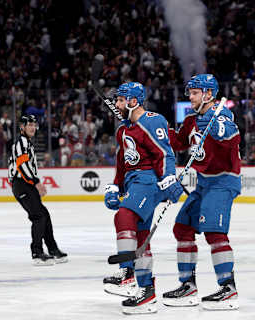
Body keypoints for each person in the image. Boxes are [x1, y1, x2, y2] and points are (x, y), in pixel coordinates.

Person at [102, 82, 184, 314]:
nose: (116, 105)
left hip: (149, 181)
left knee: (124, 217)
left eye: (120, 100)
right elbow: (122, 163)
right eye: (116, 100)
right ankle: (146, 292)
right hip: (133, 182)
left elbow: (164, 152)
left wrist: (169, 178)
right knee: (140, 237)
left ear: (133, 101)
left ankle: (127, 273)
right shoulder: (123, 130)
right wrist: (114, 187)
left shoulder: (152, 120)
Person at [164, 74, 241, 310]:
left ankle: (228, 288)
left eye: (195, 93)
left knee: (214, 232)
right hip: (204, 183)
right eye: (190, 92)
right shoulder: (191, 120)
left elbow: (231, 136)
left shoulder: (221, 114)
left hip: (223, 181)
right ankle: (188, 285)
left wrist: (215, 125)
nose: (190, 97)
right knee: (182, 227)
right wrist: (155, 126)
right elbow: (177, 142)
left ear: (208, 94)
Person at [7, 115, 68, 266]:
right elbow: (22, 166)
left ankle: (52, 249)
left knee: (43, 214)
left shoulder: (26, 143)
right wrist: (36, 182)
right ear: (22, 127)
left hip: (26, 183)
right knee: (39, 216)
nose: (33, 128)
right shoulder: (21, 143)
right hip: (23, 184)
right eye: (30, 125)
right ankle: (37, 252)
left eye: (34, 125)